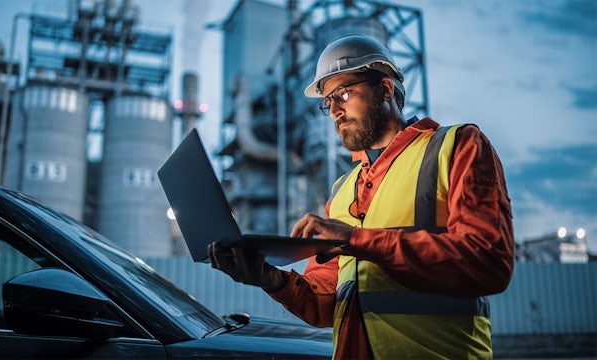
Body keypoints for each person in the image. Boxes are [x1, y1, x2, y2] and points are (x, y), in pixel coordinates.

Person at [208, 34, 515, 359]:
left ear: (385, 89)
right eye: (327, 103)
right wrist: (270, 279)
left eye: (342, 93)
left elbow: (489, 261)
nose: (335, 111)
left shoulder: (456, 146)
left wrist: (359, 240)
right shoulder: (342, 190)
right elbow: (324, 306)